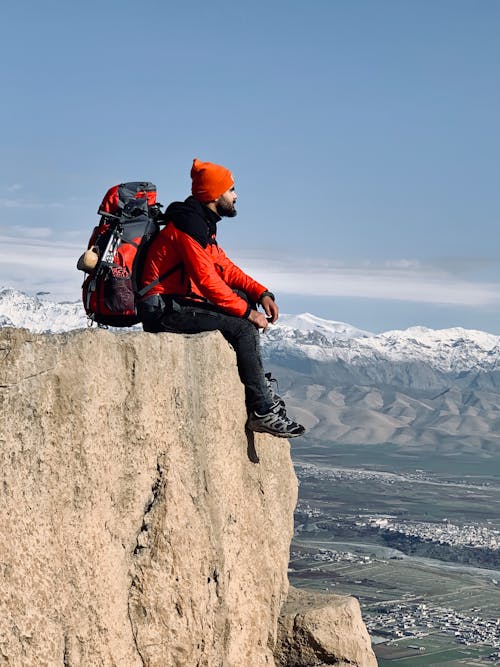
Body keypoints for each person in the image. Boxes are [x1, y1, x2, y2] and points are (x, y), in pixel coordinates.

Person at [137, 158, 305, 438]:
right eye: (231, 190)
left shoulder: (200, 224)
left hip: (176, 302)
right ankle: (261, 409)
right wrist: (248, 313)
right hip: (162, 311)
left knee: (242, 299)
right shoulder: (187, 228)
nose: (236, 195)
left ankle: (257, 386)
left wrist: (260, 293)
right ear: (214, 195)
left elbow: (224, 268)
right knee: (242, 326)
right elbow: (207, 280)